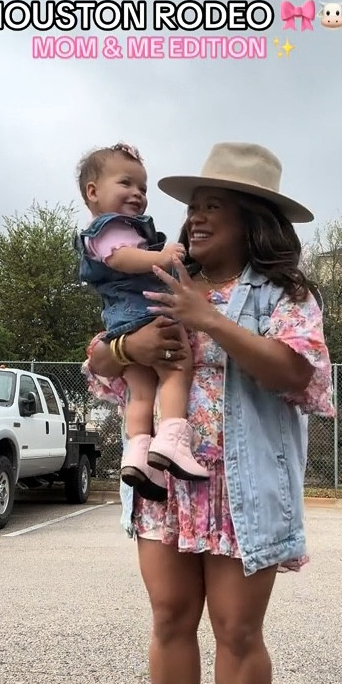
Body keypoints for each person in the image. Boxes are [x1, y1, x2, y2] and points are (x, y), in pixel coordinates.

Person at [83, 142, 334, 684]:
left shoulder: (286, 296)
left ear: (253, 220)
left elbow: (296, 373)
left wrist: (209, 318)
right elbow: (99, 356)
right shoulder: (163, 273)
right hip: (167, 480)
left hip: (242, 492)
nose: (192, 220)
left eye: (211, 209)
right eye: (191, 208)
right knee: (167, 618)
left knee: (236, 631)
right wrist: (129, 346)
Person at [75, 141, 209, 501]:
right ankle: (172, 439)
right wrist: (163, 257)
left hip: (122, 321)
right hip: (144, 311)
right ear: (93, 191)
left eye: (142, 188)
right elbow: (121, 259)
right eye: (126, 183)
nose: (137, 194)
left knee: (141, 389)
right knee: (177, 366)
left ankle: (138, 454)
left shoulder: (114, 227)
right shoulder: (112, 229)